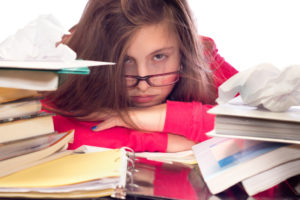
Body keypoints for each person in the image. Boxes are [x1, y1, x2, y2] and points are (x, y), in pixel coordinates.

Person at [43, 0, 238, 152]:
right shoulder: (71, 61)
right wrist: (157, 140)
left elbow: (257, 124)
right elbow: (46, 128)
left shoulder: (203, 58)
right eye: (125, 61)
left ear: (183, 52)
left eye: (159, 56)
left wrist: (143, 117)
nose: (143, 83)